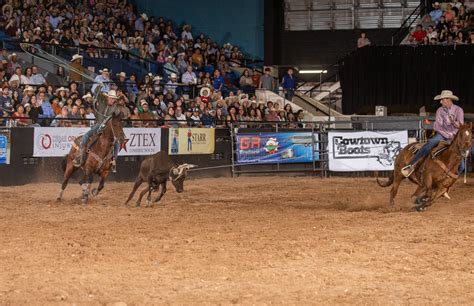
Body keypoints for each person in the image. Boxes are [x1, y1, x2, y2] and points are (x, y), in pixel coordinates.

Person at [401, 90, 464, 178]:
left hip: (455, 136)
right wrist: (447, 135)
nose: (441, 101)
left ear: (448, 99)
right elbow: (438, 127)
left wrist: (453, 122)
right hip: (443, 135)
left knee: (462, 166)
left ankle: (449, 179)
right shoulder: (440, 110)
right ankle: (412, 165)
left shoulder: (458, 110)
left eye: (442, 100)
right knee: (430, 143)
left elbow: (461, 125)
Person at [73, 87, 121, 172]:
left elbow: (116, 117)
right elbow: (96, 92)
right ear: (108, 97)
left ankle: (114, 161)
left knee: (117, 142)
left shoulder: (115, 107)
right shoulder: (102, 101)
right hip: (98, 125)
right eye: (111, 98)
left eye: (114, 99)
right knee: (86, 136)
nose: (112, 100)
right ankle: (79, 156)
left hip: (108, 128)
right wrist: (99, 86)